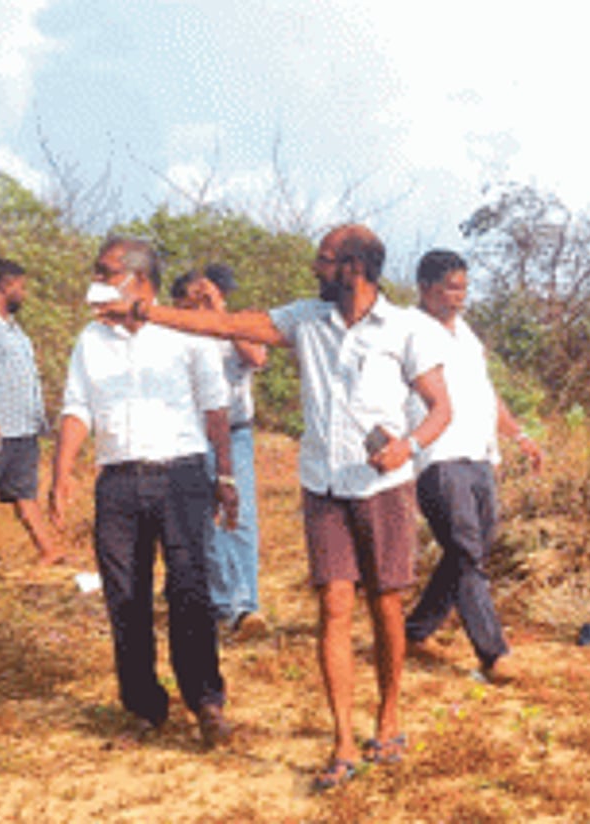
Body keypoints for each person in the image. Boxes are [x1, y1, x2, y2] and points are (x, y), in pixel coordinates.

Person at [97, 225, 452, 791]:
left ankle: (388, 718)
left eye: (325, 259)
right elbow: (225, 324)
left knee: (386, 607)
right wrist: (145, 311)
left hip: (384, 487)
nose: (315, 266)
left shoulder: (407, 328)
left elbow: (439, 408)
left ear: (354, 267)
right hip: (324, 486)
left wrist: (406, 445)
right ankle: (341, 739)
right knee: (334, 607)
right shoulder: (305, 319)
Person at [50, 236, 238, 748]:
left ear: (139, 281)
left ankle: (205, 700)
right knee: (125, 597)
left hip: (180, 474)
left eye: (106, 272)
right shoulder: (91, 340)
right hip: (118, 482)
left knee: (188, 588)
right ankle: (145, 708)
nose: (98, 281)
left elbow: (215, 409)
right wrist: (62, 472)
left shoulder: (183, 333)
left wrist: (226, 476)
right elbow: (77, 407)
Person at [405, 249, 543, 684]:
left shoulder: (465, 333)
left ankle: (416, 629)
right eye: (450, 287)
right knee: (466, 550)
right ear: (425, 288)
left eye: (463, 287)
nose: (459, 296)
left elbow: (486, 393)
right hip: (437, 457)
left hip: (479, 453)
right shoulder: (409, 331)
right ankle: (493, 653)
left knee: (475, 546)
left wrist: (518, 435)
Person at [171, 265, 268, 640]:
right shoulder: (176, 332)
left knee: (239, 517)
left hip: (235, 432)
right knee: (200, 521)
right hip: (192, 434)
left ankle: (246, 605)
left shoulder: (236, 325)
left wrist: (219, 314)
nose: (208, 302)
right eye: (197, 298)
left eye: (213, 295)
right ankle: (226, 602)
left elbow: (256, 358)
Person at [0, 258, 64, 565]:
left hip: (22, 428)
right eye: (21, 287)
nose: (24, 293)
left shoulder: (14, 330)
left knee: (24, 493)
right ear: (5, 285)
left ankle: (49, 551)